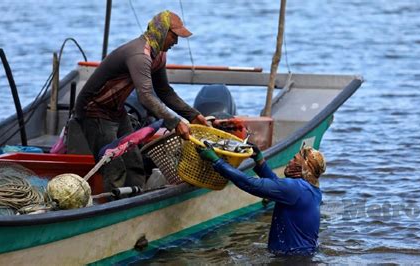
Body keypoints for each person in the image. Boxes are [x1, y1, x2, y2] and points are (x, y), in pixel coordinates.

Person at [75, 10, 207, 193]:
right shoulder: (140, 55)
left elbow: (164, 92)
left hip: (117, 110)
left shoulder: (158, 54)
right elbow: (145, 96)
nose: (176, 42)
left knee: (134, 161)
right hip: (94, 111)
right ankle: (116, 213)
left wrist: (193, 115)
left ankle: (138, 204)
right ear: (162, 31)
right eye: (174, 36)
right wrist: (175, 122)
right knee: (114, 167)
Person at [197, 143, 326, 256]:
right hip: (303, 256)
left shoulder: (295, 188)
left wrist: (217, 161)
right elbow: (277, 186)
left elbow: (251, 184)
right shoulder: (313, 191)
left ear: (302, 168)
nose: (290, 161)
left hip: (291, 259)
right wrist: (260, 160)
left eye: (294, 159)